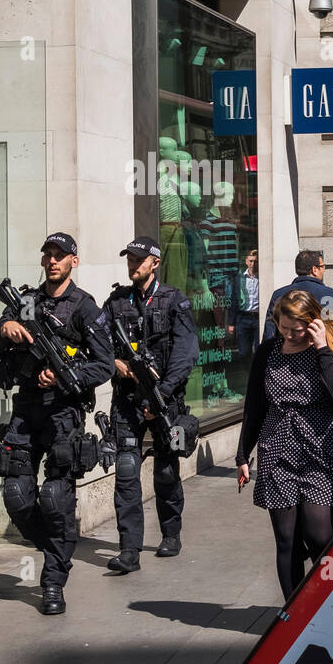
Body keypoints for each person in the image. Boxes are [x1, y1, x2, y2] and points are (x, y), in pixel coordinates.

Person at [0, 232, 114, 616]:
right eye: (48, 255)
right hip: (25, 409)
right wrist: (3, 331)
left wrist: (62, 376)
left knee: (55, 499)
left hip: (62, 413)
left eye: (61, 256)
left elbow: (104, 364)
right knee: (17, 498)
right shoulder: (24, 302)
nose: (52, 261)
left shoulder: (84, 307)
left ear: (74, 261)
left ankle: (53, 580)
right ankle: (59, 541)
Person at [235, 290, 333, 602]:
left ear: (314, 323)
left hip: (320, 449)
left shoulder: (329, 349)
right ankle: (293, 611)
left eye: (297, 329)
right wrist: (243, 453)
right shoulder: (268, 352)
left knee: (320, 536)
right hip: (277, 449)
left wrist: (321, 348)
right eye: (284, 328)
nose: (290, 335)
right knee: (287, 539)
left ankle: (330, 600)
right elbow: (254, 404)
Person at [102, 236, 200, 572]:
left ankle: (171, 533)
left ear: (155, 262)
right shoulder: (116, 302)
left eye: (139, 259)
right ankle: (129, 549)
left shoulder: (175, 301)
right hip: (127, 402)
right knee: (127, 473)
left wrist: (164, 393)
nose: (132, 264)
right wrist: (116, 363)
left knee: (166, 469)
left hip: (165, 402)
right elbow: (98, 344)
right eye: (129, 258)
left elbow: (187, 352)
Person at [262, 249, 333, 340]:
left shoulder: (278, 295)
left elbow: (270, 332)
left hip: (288, 350)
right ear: (314, 269)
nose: (324, 270)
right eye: (323, 266)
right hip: (323, 350)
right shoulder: (331, 295)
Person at [228, 248, 260, 359]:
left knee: (258, 350)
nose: (253, 264)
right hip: (243, 317)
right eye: (251, 261)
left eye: (255, 261)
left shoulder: (262, 277)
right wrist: (231, 323)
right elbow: (234, 300)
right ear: (246, 261)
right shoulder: (239, 278)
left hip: (257, 318)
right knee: (243, 351)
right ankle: (246, 372)